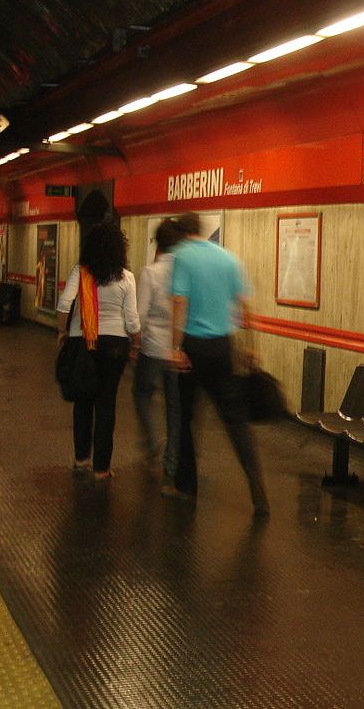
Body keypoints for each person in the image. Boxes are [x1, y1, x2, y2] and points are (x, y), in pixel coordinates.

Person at [167, 211, 269, 514]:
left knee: (187, 418)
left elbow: (179, 302)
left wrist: (175, 347)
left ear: (183, 233)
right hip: (223, 347)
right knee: (235, 420)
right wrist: (251, 348)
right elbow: (245, 307)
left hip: (194, 346)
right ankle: (257, 488)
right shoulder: (228, 258)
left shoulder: (181, 256)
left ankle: (187, 487)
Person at [55, 222, 141, 481]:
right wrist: (136, 342)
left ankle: (82, 458)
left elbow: (63, 304)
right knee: (106, 404)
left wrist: (62, 332)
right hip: (115, 346)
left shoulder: (81, 272)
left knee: (83, 401)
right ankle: (102, 468)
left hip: (84, 342)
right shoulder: (126, 277)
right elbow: (132, 319)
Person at [133, 219, 185, 484]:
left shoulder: (150, 273)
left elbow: (140, 314)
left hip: (152, 348)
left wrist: (135, 342)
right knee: (174, 406)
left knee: (141, 394)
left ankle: (152, 441)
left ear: (158, 244)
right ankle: (172, 460)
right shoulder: (184, 273)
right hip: (176, 350)